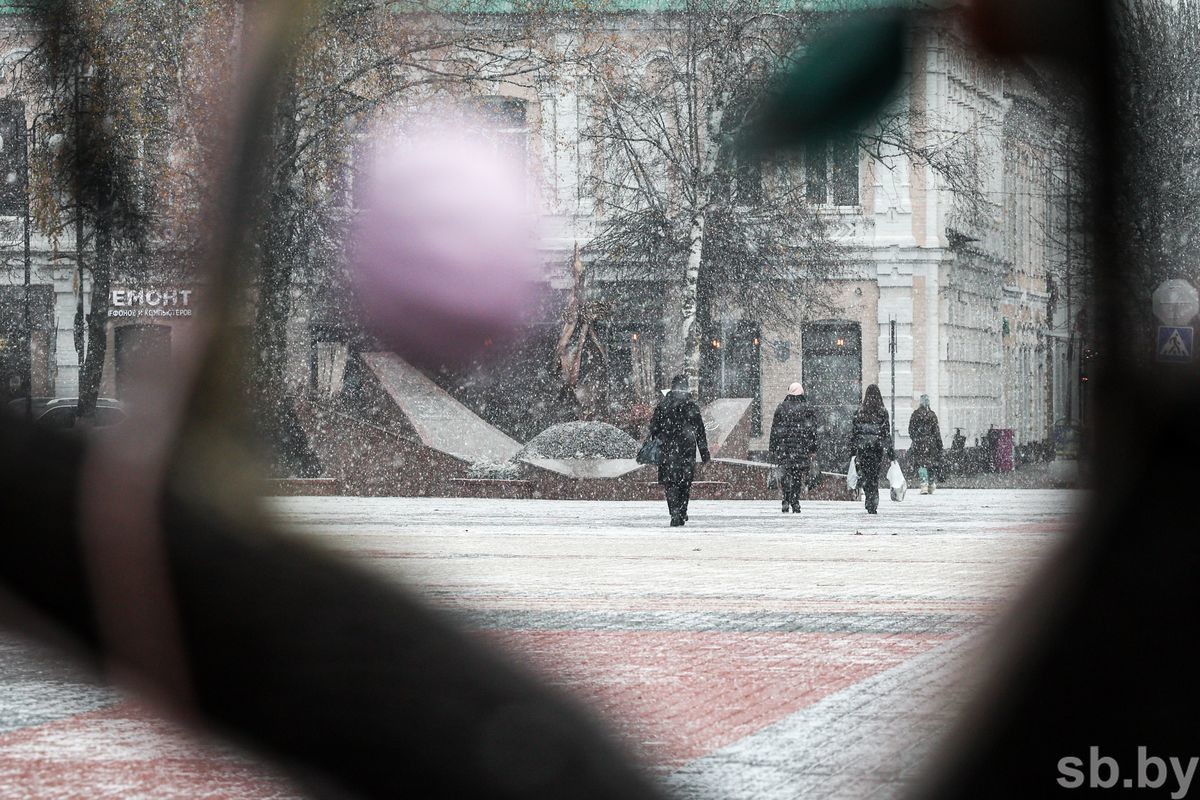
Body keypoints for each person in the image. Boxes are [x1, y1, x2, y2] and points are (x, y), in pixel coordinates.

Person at [648, 374, 710, 527]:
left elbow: (654, 428)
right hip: (686, 450)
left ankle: (674, 512)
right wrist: (704, 453)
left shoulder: (663, 405)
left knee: (670, 483)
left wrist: (660, 439)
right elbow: (700, 431)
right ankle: (682, 510)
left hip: (667, 451)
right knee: (684, 482)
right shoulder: (691, 406)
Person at [769, 382, 819, 513]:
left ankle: (785, 499)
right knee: (797, 475)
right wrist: (813, 449)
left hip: (784, 448)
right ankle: (795, 501)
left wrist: (773, 447)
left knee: (785, 474)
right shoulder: (807, 408)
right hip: (801, 448)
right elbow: (812, 431)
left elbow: (774, 429)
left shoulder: (781, 408)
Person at [850, 384, 894, 514]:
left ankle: (869, 498)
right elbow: (886, 434)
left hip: (863, 450)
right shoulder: (882, 411)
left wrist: (852, 451)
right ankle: (873, 501)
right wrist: (891, 454)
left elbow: (854, 433)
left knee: (866, 474)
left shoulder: (859, 412)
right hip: (876, 449)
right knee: (874, 476)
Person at [908, 394, 944, 494]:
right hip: (931, 444)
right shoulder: (932, 415)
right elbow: (936, 431)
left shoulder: (915, 414)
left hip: (919, 443)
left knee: (922, 464)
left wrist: (916, 438)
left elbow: (911, 430)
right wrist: (939, 444)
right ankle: (931, 484)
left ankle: (924, 484)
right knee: (931, 464)